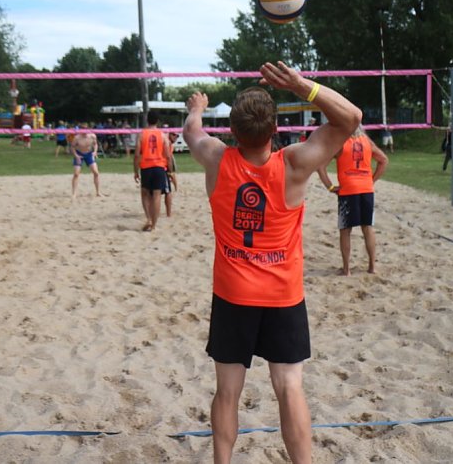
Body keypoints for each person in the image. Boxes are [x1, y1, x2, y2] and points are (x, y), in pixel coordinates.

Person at [183, 61, 361, 464]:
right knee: (289, 386)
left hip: (233, 293)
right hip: (282, 294)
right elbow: (351, 118)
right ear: (275, 131)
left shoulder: (216, 159)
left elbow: (192, 131)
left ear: (232, 132)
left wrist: (197, 106)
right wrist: (302, 86)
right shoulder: (296, 163)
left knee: (228, 391)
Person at [317, 126, 388, 276]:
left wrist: (330, 186)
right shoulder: (367, 141)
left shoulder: (340, 142)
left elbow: (321, 166)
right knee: (367, 228)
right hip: (366, 189)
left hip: (348, 189)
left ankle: (346, 269)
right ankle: (372, 267)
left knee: (345, 230)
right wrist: (371, 180)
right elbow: (383, 160)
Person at [134, 111, 171, 231]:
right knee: (156, 196)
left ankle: (149, 218)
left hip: (146, 167)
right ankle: (154, 225)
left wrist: (135, 171)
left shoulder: (142, 134)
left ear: (147, 120)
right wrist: (169, 170)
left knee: (145, 193)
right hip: (159, 166)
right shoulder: (162, 135)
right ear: (158, 121)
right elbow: (168, 155)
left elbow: (136, 155)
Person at [71, 131, 101, 198]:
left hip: (89, 154)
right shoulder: (77, 138)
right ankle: (74, 193)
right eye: (83, 132)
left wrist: (95, 152)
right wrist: (76, 155)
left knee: (96, 173)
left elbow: (95, 144)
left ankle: (98, 192)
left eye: (86, 132)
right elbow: (72, 147)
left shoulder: (92, 136)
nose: (84, 134)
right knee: (76, 174)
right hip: (79, 154)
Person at [164, 131, 180, 217]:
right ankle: (176, 188)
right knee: (171, 173)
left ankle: (176, 187)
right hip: (167, 158)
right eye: (174, 135)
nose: (176, 138)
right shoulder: (166, 141)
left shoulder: (169, 142)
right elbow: (168, 156)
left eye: (177, 136)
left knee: (172, 174)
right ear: (170, 134)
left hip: (169, 156)